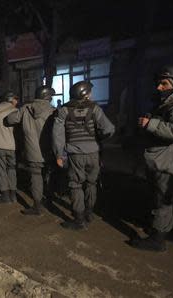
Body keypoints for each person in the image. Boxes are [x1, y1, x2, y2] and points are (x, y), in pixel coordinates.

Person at [130, 65, 173, 251]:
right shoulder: (164, 106)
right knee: (158, 198)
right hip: (158, 160)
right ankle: (165, 231)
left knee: (162, 200)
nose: (159, 88)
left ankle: (157, 240)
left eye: (164, 84)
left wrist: (150, 124)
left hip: (166, 163)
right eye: (159, 83)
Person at [52, 81, 114, 230]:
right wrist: (99, 139)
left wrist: (59, 155)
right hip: (94, 153)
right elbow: (109, 129)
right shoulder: (95, 109)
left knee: (75, 185)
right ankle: (89, 213)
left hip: (75, 155)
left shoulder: (64, 110)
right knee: (91, 183)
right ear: (85, 94)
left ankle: (78, 220)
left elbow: (57, 135)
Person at [6, 85, 55, 215]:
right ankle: (48, 200)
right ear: (48, 97)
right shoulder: (53, 110)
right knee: (49, 175)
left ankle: (37, 206)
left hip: (32, 151)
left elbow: (10, 119)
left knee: (36, 177)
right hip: (50, 151)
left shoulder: (26, 108)